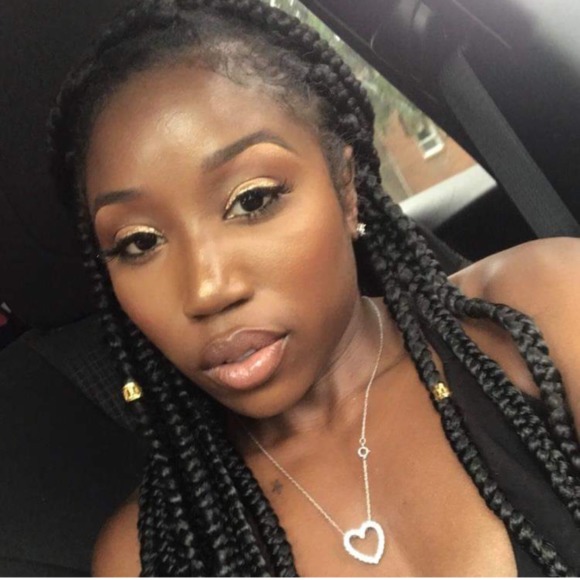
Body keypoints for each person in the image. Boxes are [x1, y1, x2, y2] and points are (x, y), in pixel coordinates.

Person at [47, 0, 580, 575]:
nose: (208, 290)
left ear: (346, 188)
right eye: (139, 242)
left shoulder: (546, 306)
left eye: (252, 199)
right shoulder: (148, 554)